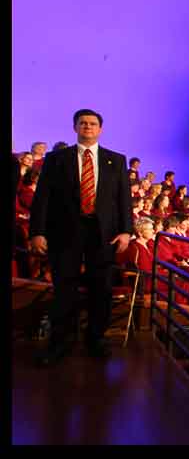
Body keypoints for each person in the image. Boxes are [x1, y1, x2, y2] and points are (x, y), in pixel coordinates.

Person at [29, 109, 135, 366]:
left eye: (93, 123)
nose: (88, 127)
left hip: (104, 236)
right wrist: (37, 232)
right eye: (83, 123)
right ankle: (60, 344)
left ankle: (96, 340)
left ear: (100, 129)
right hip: (64, 233)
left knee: (101, 289)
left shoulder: (116, 160)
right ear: (75, 127)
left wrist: (126, 231)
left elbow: (123, 199)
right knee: (64, 289)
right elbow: (42, 198)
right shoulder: (56, 159)